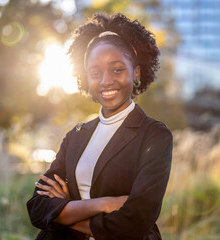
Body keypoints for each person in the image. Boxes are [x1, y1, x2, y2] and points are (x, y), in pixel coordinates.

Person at [26, 12, 173, 240]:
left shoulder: (154, 135)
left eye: (117, 69)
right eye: (95, 73)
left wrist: (66, 211)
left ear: (136, 72)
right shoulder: (76, 136)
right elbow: (37, 207)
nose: (106, 81)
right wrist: (106, 204)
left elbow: (135, 223)